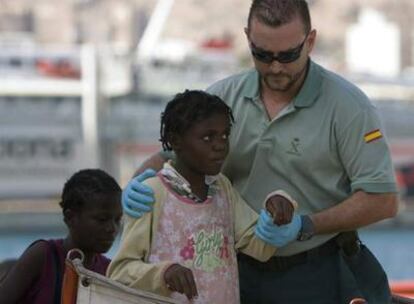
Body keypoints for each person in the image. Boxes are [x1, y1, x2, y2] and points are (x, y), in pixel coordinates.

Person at [122, 1, 398, 303]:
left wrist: (304, 226)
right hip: (232, 272)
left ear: (311, 41)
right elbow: (169, 158)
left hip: (316, 270)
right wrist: (136, 186)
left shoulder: (350, 108)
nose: (276, 67)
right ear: (247, 39)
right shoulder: (221, 97)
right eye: (262, 55)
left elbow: (382, 200)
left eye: (288, 55)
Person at [108, 90, 298, 304]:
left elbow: (258, 246)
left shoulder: (222, 188)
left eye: (224, 135)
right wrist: (163, 274)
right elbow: (120, 271)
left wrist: (278, 211)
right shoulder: (152, 193)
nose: (220, 145)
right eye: (207, 137)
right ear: (175, 140)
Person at [0, 169, 123, 304]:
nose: (112, 228)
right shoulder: (43, 256)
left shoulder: (109, 272)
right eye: (102, 219)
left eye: (117, 220)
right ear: (70, 217)